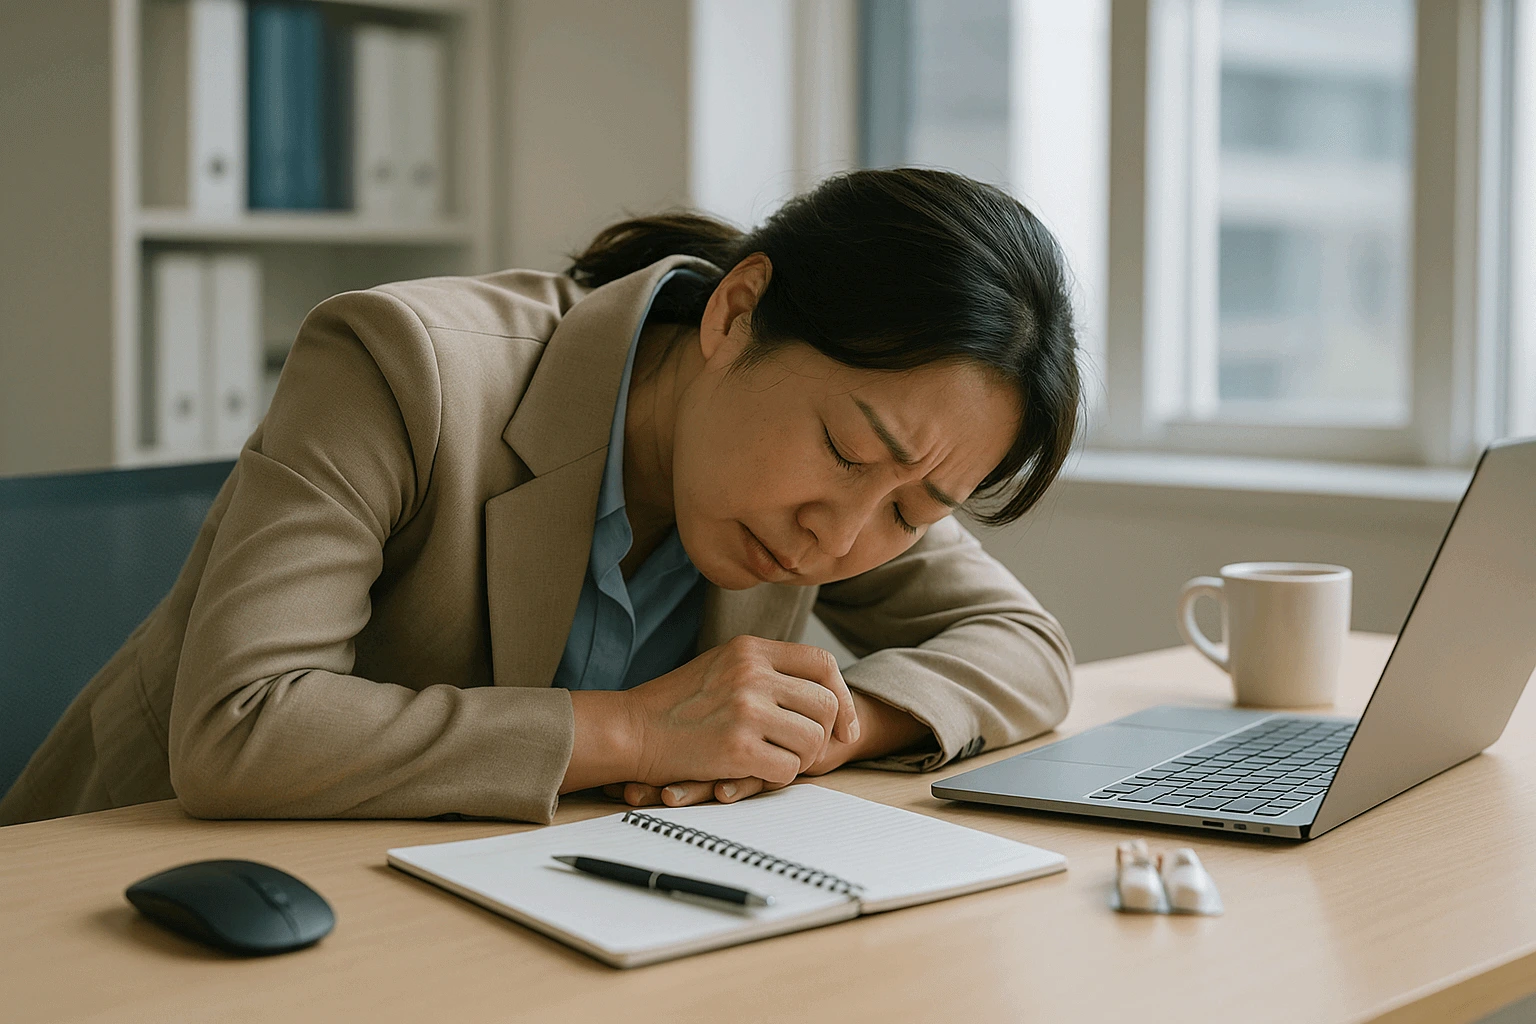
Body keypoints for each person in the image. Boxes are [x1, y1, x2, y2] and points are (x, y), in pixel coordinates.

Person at [0, 168, 1080, 826]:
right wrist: (637, 732)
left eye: (912, 512)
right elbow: (243, 724)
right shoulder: (399, 365)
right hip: (128, 891)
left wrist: (828, 724)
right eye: (846, 448)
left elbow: (1023, 643)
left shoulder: (855, 483)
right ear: (736, 313)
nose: (840, 536)